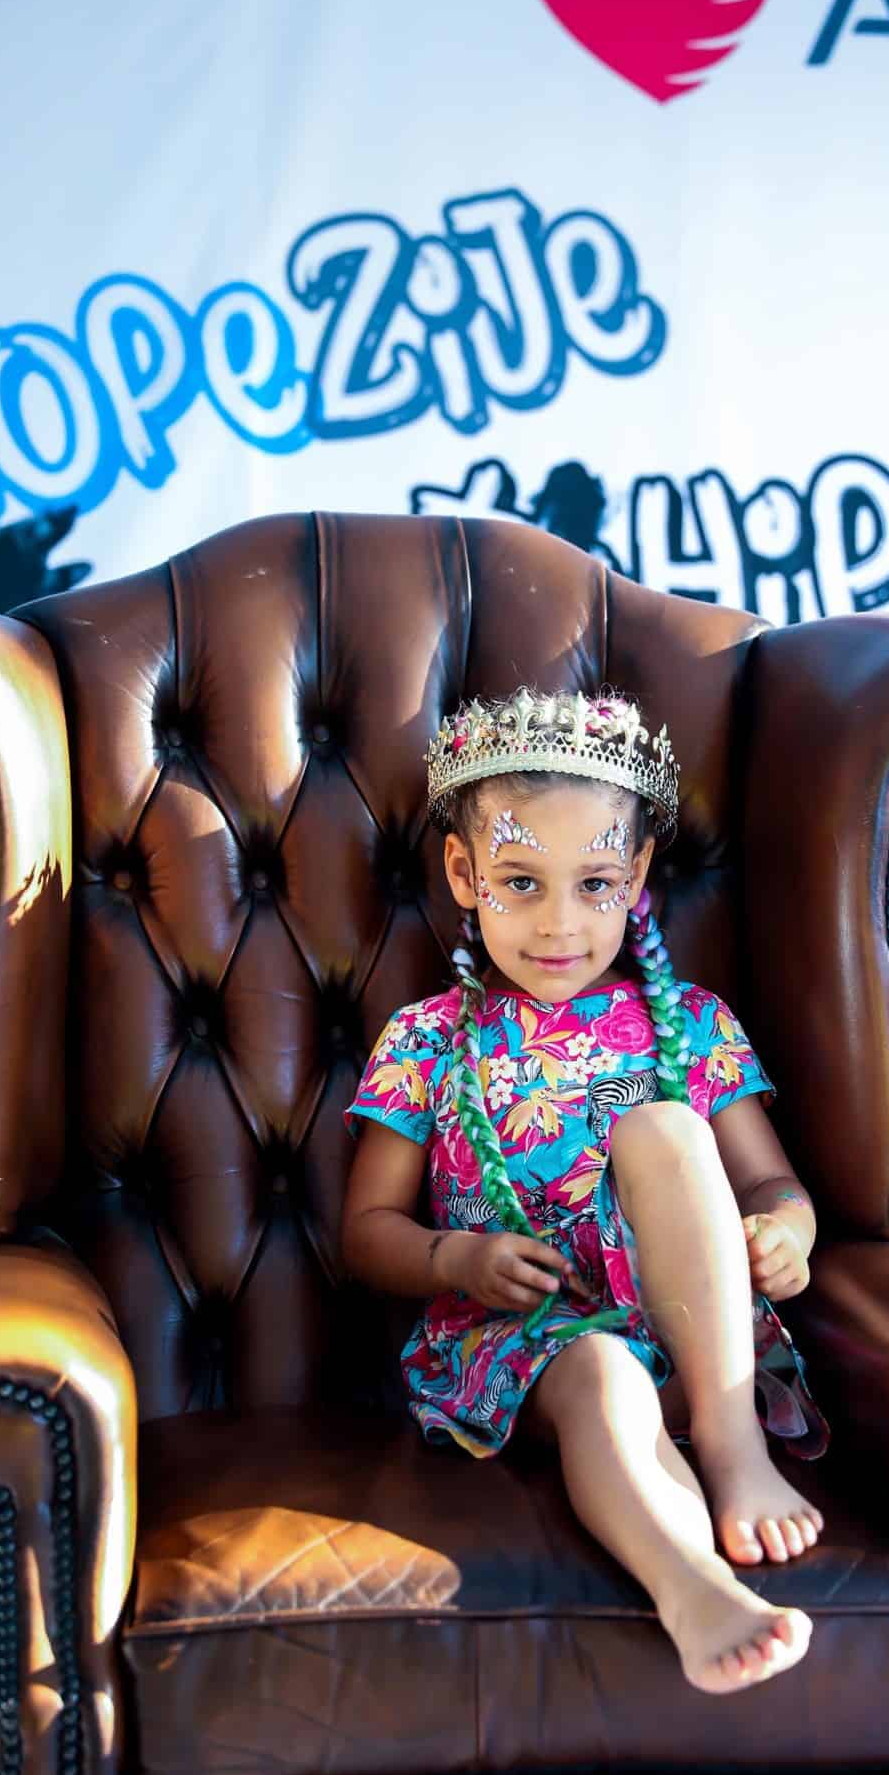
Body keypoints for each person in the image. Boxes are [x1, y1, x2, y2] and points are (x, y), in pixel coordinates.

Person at [341, 686, 828, 1696]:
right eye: (520, 881)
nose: (558, 923)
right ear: (465, 874)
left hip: (697, 1342)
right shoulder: (425, 1039)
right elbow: (367, 1229)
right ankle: (695, 1587)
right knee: (603, 1373)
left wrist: (787, 1230)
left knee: (664, 1127)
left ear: (636, 874)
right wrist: (454, 1256)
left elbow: (770, 1180)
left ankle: (732, 1446)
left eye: (595, 883)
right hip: (530, 1346)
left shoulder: (688, 1022)